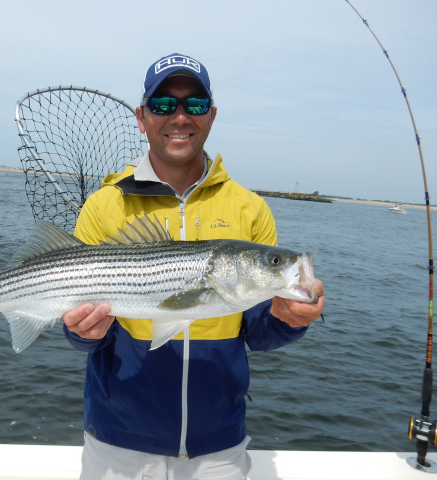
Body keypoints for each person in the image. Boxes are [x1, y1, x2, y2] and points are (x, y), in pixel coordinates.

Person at [62, 53, 325, 479]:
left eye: (195, 105)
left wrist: (287, 319)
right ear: (142, 116)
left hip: (217, 442)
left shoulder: (250, 208)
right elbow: (79, 331)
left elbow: (257, 333)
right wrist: (81, 332)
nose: (179, 116)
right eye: (164, 104)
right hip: (118, 439)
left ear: (212, 115)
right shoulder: (105, 203)